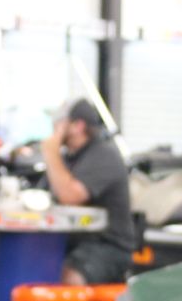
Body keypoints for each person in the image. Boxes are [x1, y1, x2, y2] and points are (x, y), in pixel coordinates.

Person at [42, 99, 135, 286]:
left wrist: (51, 151)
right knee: (37, 267)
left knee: (68, 278)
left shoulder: (104, 155)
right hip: (73, 242)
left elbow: (70, 196)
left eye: (60, 122)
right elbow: (42, 194)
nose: (54, 126)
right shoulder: (70, 158)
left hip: (106, 246)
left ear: (78, 126)